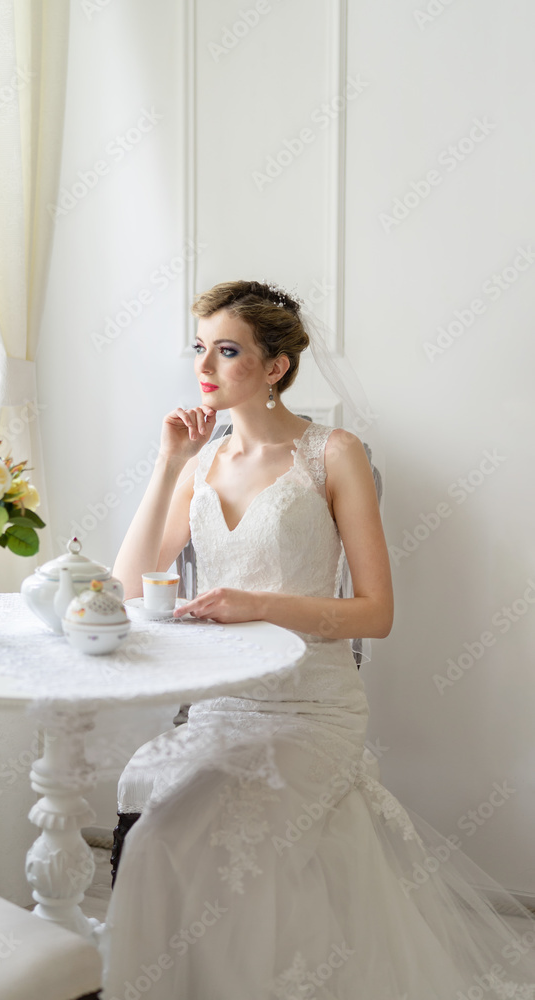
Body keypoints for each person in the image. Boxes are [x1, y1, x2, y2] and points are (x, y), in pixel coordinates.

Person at [99, 280, 535, 999]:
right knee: (161, 839)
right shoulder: (201, 463)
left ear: (275, 366)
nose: (203, 366)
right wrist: (168, 463)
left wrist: (256, 605)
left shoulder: (333, 454)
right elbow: (124, 585)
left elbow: (375, 613)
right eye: (200, 347)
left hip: (311, 708)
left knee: (223, 839)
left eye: (226, 350)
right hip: (221, 706)